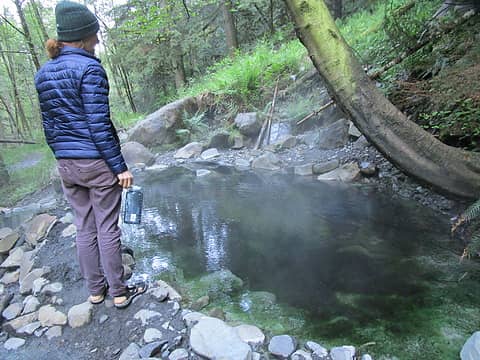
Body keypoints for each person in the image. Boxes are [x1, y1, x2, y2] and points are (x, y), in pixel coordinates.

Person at [35, 1, 146, 308]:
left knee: (84, 227)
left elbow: (49, 125)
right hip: (96, 163)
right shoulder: (90, 68)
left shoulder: (44, 74)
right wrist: (119, 167)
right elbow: (99, 126)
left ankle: (95, 291)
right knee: (107, 227)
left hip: (67, 165)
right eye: (95, 35)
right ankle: (119, 292)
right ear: (82, 37)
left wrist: (62, 157)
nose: (98, 40)